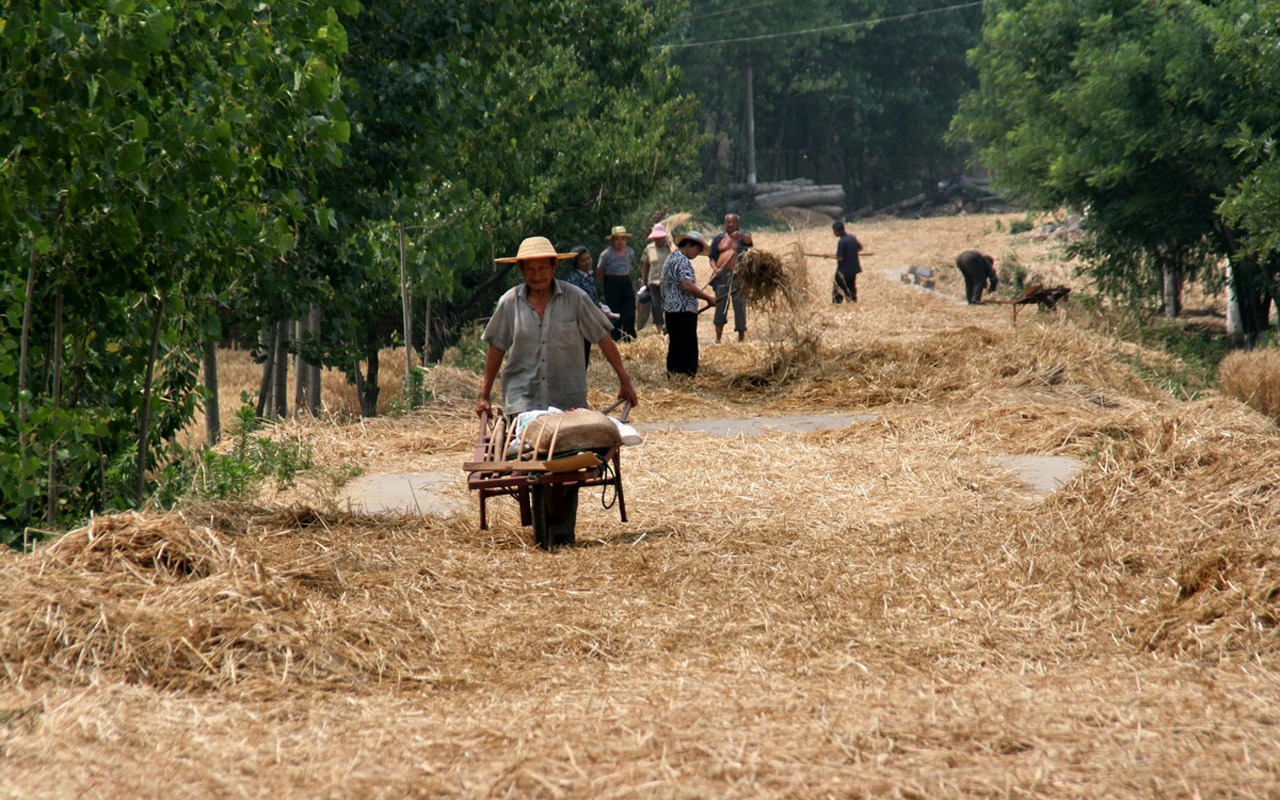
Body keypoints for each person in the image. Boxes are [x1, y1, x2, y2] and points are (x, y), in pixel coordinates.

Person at [476, 236, 638, 419]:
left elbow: (603, 338)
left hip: (567, 403)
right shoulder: (509, 302)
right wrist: (485, 396)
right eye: (530, 270)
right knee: (525, 445)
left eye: (542, 269)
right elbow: (496, 347)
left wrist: (625, 381)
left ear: (554, 266)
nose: (536, 276)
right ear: (521, 270)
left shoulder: (576, 298)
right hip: (523, 402)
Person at [661, 231, 718, 377]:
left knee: (676, 345)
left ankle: (674, 374)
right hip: (682, 310)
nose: (697, 254)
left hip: (672, 309)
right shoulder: (682, 260)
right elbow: (686, 285)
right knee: (687, 346)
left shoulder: (671, 257)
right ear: (690, 245)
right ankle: (685, 375)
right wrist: (708, 298)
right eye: (697, 251)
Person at [707, 213, 752, 343]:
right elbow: (712, 258)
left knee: (739, 305)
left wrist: (740, 235)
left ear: (738, 224)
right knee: (720, 305)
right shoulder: (719, 239)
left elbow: (749, 241)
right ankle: (718, 338)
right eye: (728, 222)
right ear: (725, 224)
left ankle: (741, 338)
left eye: (733, 222)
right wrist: (715, 269)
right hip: (722, 276)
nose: (730, 225)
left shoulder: (743, 237)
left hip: (739, 275)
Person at [564, 245, 609, 366]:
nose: (587, 262)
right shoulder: (574, 279)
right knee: (580, 356)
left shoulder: (588, 276)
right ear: (576, 263)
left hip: (587, 322)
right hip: (578, 323)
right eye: (583, 260)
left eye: (588, 258)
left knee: (585, 354)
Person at [596, 225, 638, 341]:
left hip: (625, 280)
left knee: (629, 309)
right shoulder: (606, 254)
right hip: (611, 282)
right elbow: (599, 270)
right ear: (612, 240)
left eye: (622, 239)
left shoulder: (630, 252)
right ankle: (616, 337)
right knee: (614, 310)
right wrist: (606, 282)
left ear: (626, 240)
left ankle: (629, 336)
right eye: (617, 239)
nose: (620, 242)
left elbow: (632, 264)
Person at [638, 223, 672, 334]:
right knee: (656, 306)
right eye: (655, 238)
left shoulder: (670, 248)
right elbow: (645, 266)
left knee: (669, 305)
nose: (658, 240)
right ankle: (659, 329)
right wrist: (643, 282)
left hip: (668, 281)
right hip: (653, 282)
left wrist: (670, 243)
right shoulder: (649, 248)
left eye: (660, 238)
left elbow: (677, 257)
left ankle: (670, 327)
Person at [821, 220, 863, 303]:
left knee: (837, 290)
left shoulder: (842, 241)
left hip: (843, 271)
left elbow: (840, 257)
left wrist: (828, 255)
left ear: (839, 231)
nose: (834, 233)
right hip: (853, 269)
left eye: (834, 231)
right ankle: (852, 303)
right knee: (851, 288)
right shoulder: (852, 237)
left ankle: (837, 305)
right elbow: (861, 247)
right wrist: (851, 252)